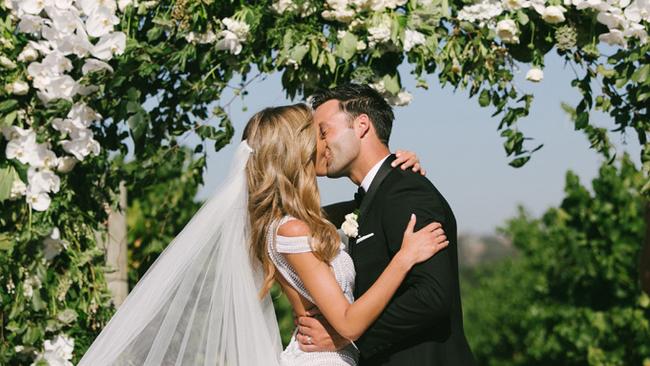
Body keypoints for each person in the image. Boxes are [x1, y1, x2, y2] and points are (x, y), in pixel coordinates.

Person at [78, 103, 446, 366]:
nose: (324, 143)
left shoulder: (294, 221)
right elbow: (348, 322)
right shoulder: (292, 229)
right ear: (295, 149)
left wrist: (388, 176)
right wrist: (403, 259)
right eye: (317, 134)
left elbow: (356, 211)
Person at [296, 83, 477, 366]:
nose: (317, 144)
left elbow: (432, 296)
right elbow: (301, 219)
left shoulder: (406, 191)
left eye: (323, 132)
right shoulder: (373, 198)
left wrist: (348, 337)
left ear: (362, 125)